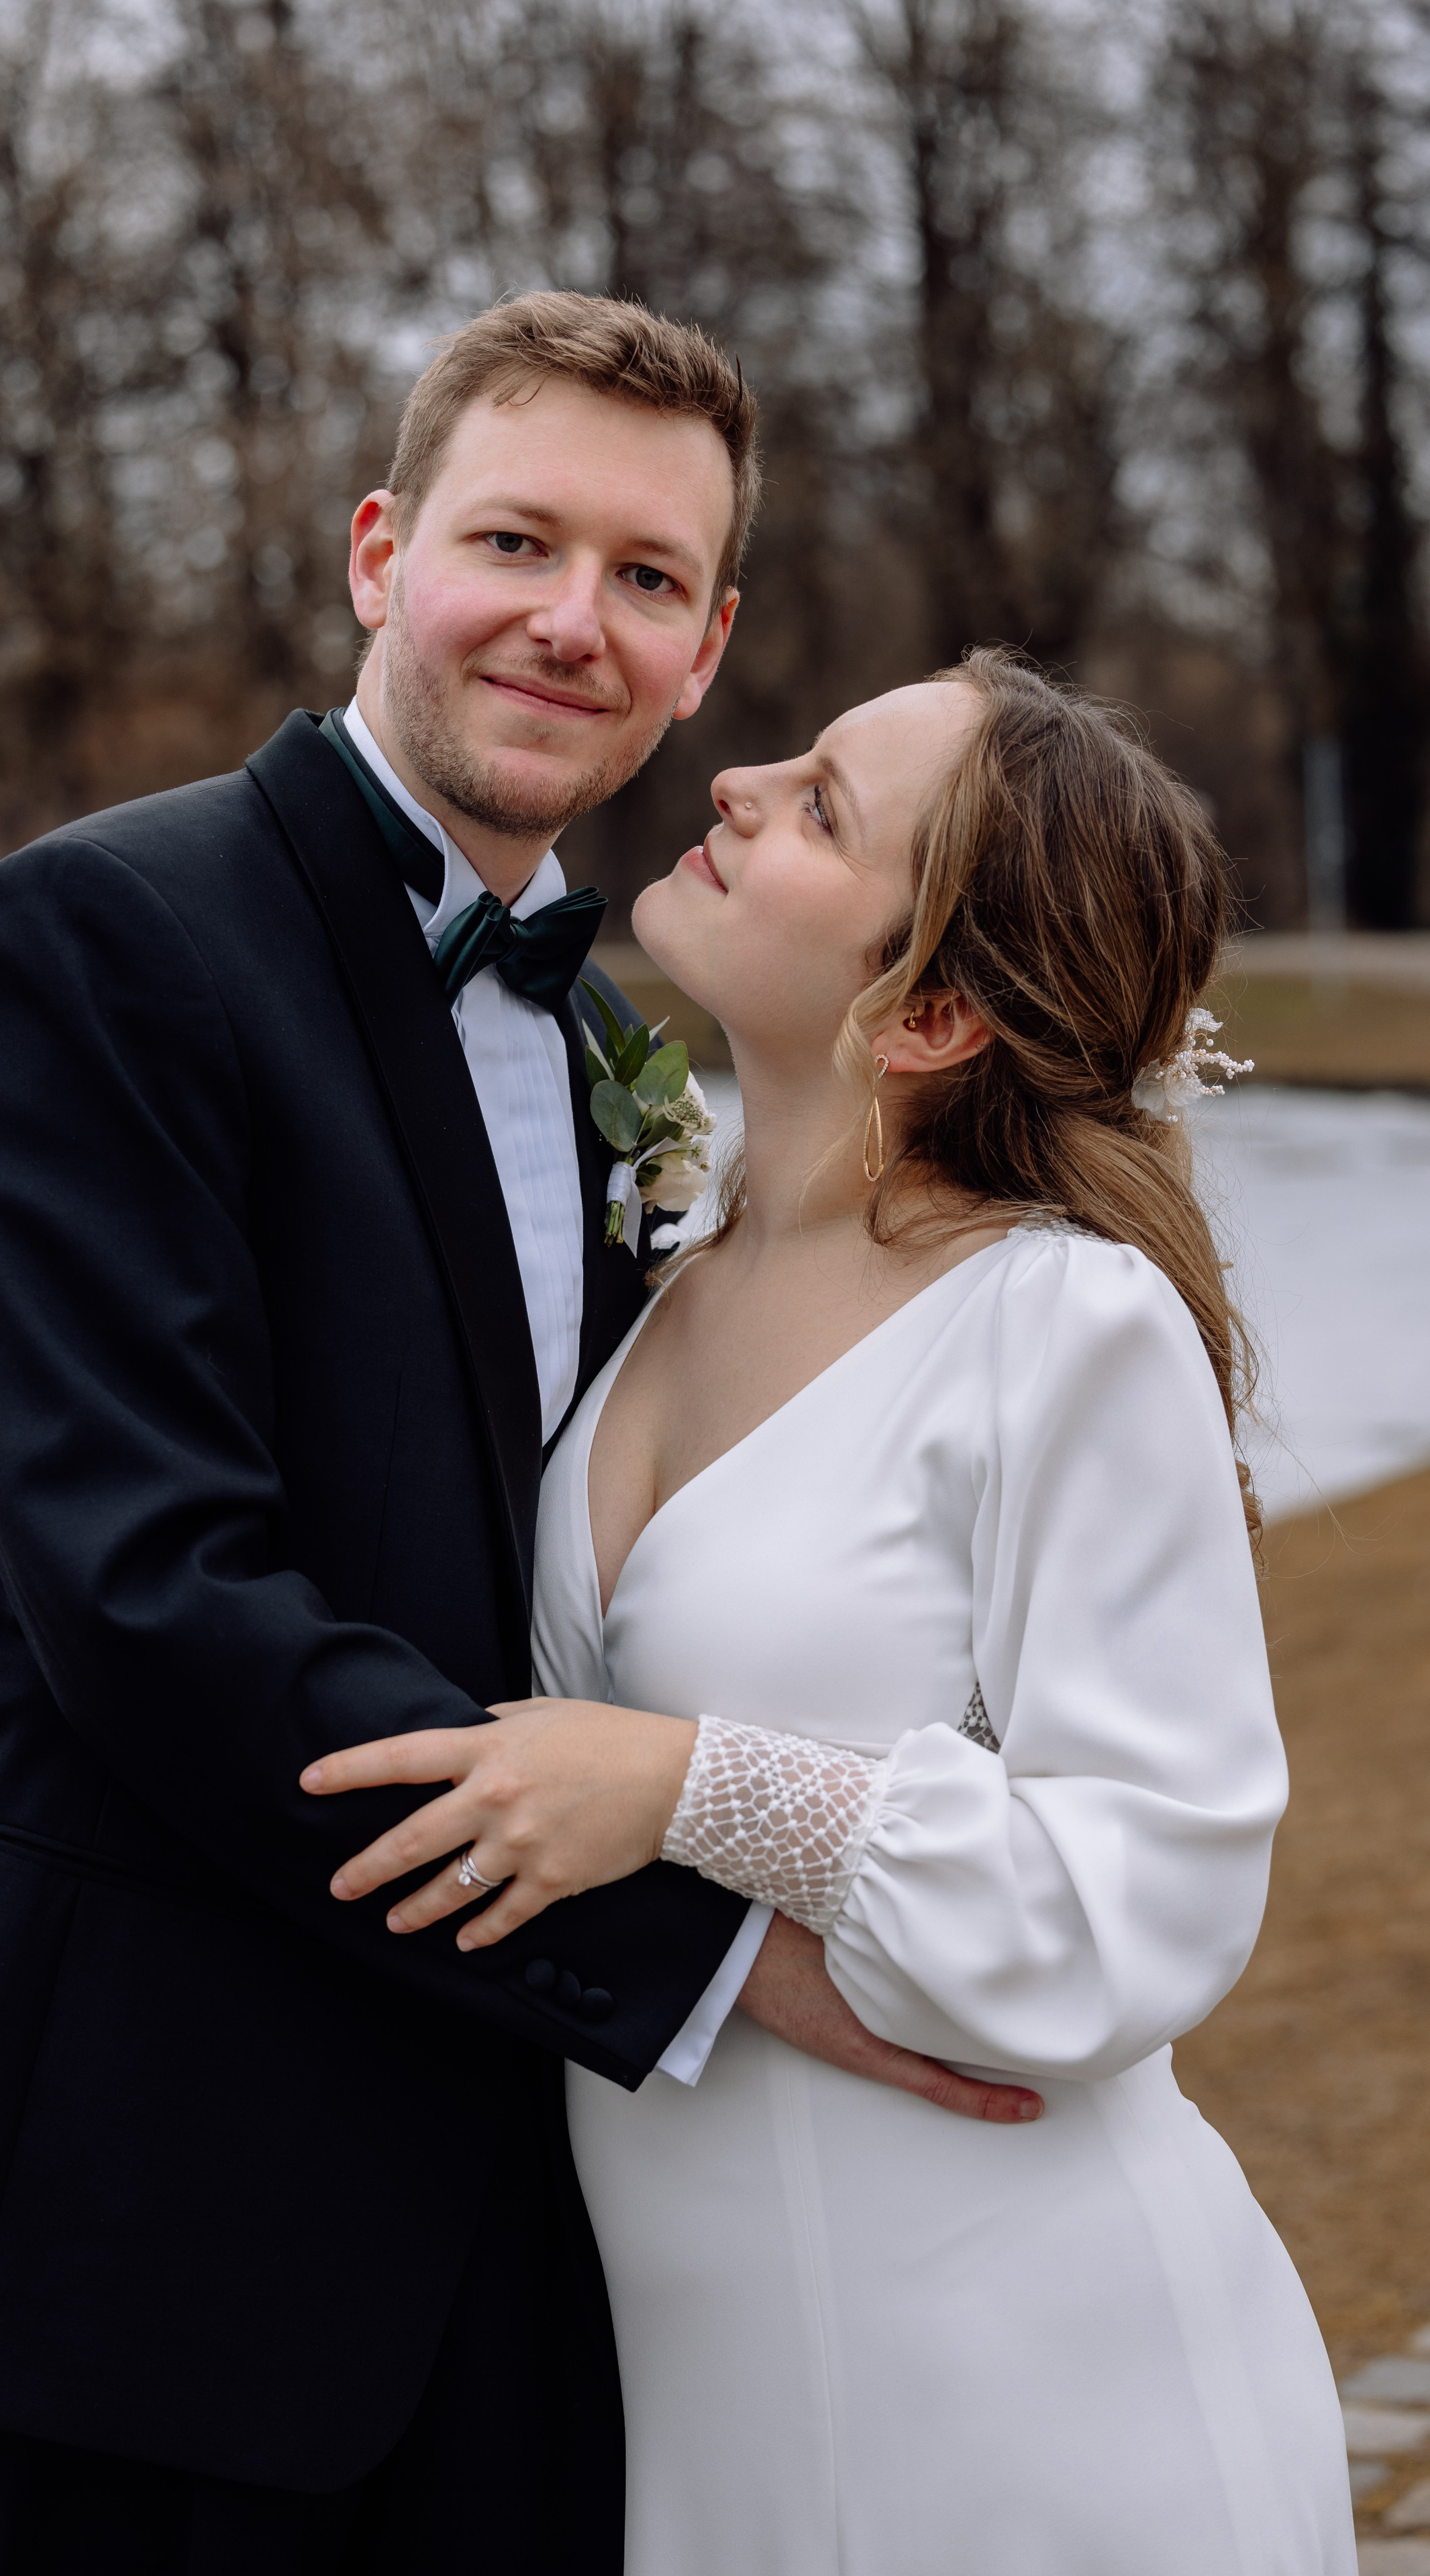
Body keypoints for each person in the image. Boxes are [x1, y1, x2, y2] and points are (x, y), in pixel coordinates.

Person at [0, 293, 1035, 2576]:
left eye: (650, 578)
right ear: (384, 554)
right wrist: (720, 1959)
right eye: (518, 540)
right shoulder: (101, 939)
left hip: (527, 2234)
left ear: (708, 650)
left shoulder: (633, 1037)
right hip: (146, 2216)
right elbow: (152, 1601)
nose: (574, 622)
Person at [308, 652, 1359, 2573]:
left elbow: (1148, 1898)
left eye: (821, 806)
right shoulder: (656, 1289)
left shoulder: (1063, 1326)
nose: (735, 781)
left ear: (932, 1008)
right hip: (710, 2430)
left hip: (1033, 2404)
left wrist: (696, 1784)